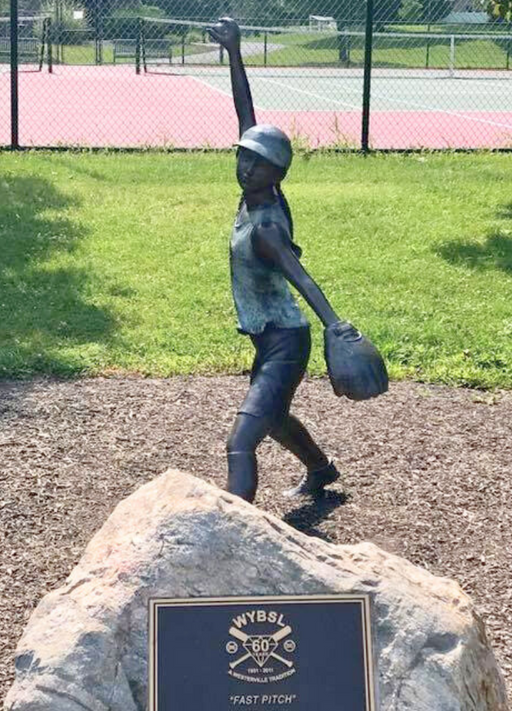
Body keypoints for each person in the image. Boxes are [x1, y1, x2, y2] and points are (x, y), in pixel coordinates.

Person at [207, 17, 388, 505]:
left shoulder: (266, 225)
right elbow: (247, 119)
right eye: (242, 159)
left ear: (276, 173)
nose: (245, 167)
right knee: (276, 417)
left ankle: (235, 530)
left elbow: (299, 276)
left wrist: (337, 326)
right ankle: (322, 471)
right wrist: (235, 53)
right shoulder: (260, 190)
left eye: (256, 163)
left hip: (287, 343)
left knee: (241, 442)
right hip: (271, 338)